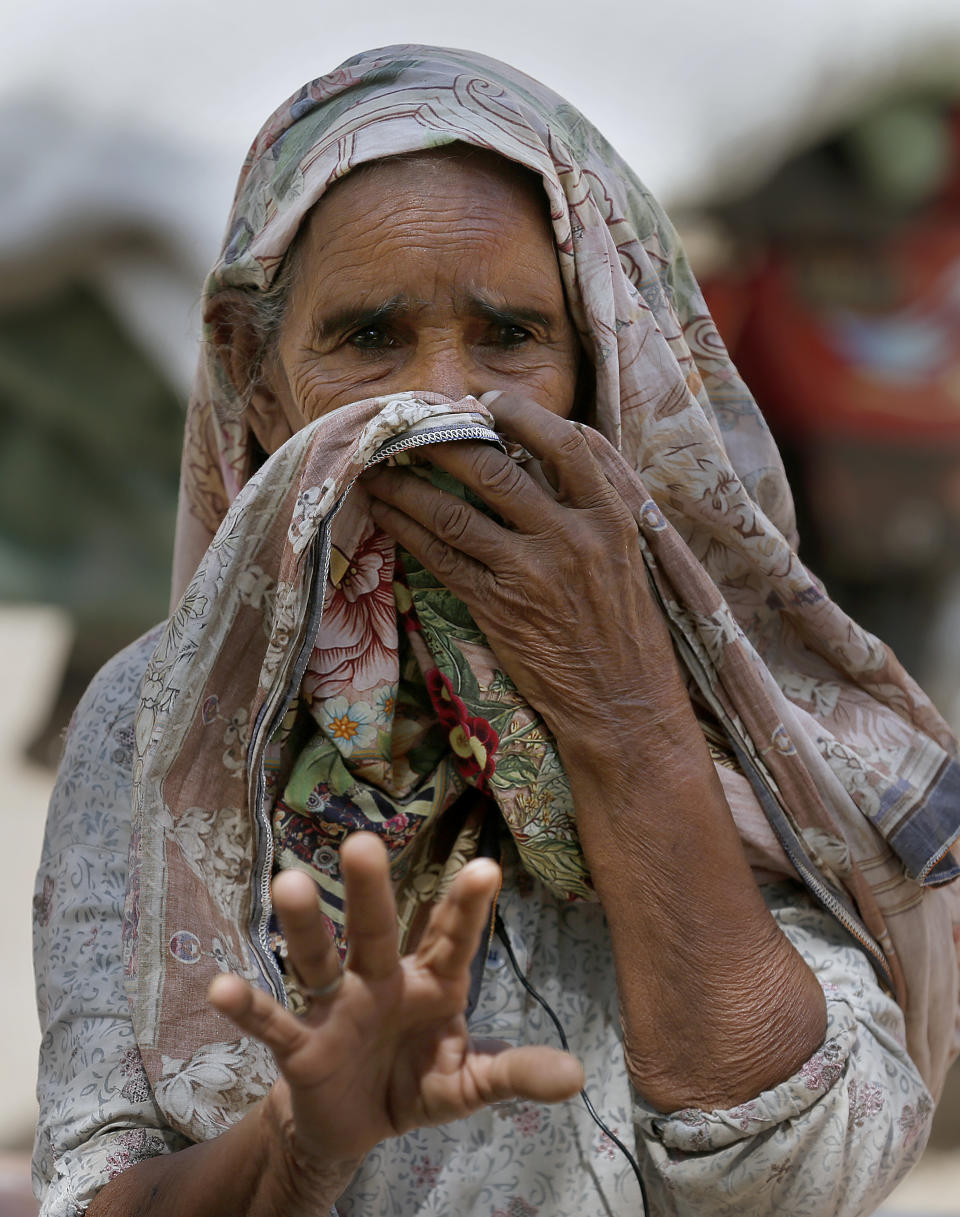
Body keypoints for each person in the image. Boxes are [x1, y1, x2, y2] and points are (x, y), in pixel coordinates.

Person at [33, 45, 960, 1217]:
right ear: (251, 374)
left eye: (511, 335)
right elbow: (98, 1187)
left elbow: (795, 1169)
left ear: (596, 366)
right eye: (370, 337)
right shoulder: (163, 718)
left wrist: (625, 713)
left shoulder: (735, 710)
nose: (442, 404)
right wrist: (296, 1144)